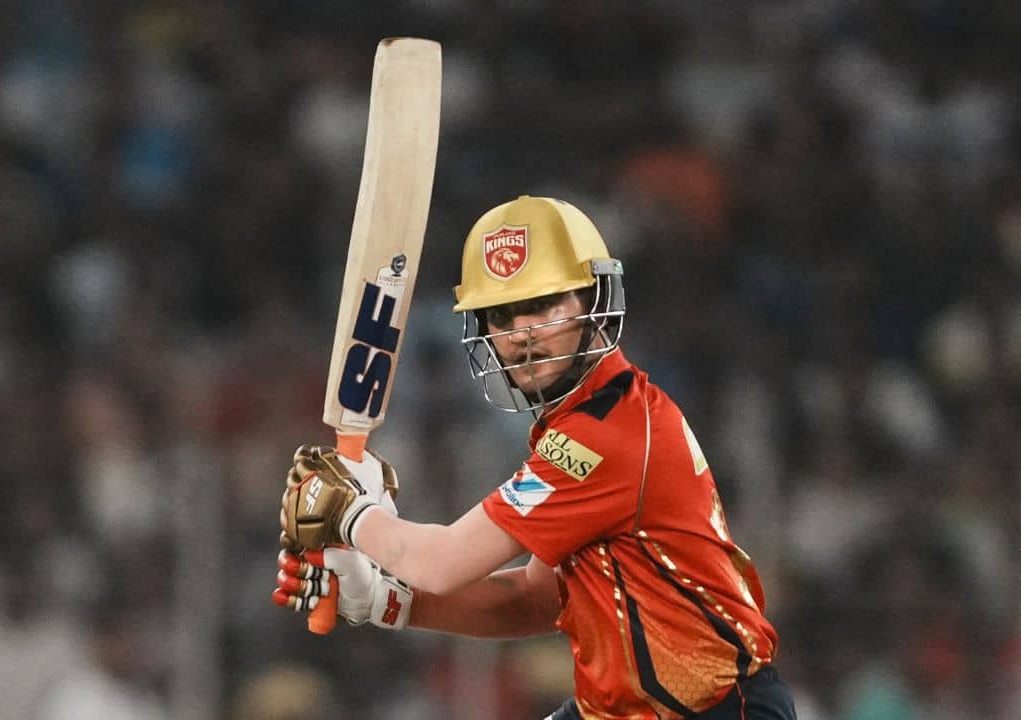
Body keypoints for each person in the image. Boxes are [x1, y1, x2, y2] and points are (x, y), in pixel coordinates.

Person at [274, 195, 797, 719]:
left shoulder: (603, 436)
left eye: (544, 304)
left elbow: (441, 563)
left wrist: (349, 512)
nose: (522, 334)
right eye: (502, 315)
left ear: (594, 301)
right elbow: (535, 599)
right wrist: (386, 601)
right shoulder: (588, 419)